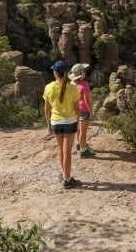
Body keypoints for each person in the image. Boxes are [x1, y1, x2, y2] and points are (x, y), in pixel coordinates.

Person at [43, 60, 82, 189]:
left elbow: (47, 109)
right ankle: (67, 179)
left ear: (55, 72)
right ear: (66, 73)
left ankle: (65, 174)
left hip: (55, 122)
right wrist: (77, 119)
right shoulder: (72, 88)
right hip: (70, 121)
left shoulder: (48, 87)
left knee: (61, 150)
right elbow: (77, 108)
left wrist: (48, 123)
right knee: (67, 152)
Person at [68, 63, 95, 159]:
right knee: (83, 132)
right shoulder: (85, 85)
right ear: (82, 74)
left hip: (74, 110)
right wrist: (91, 112)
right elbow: (87, 100)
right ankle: (83, 151)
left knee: (78, 129)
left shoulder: (71, 83)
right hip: (84, 110)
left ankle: (79, 145)